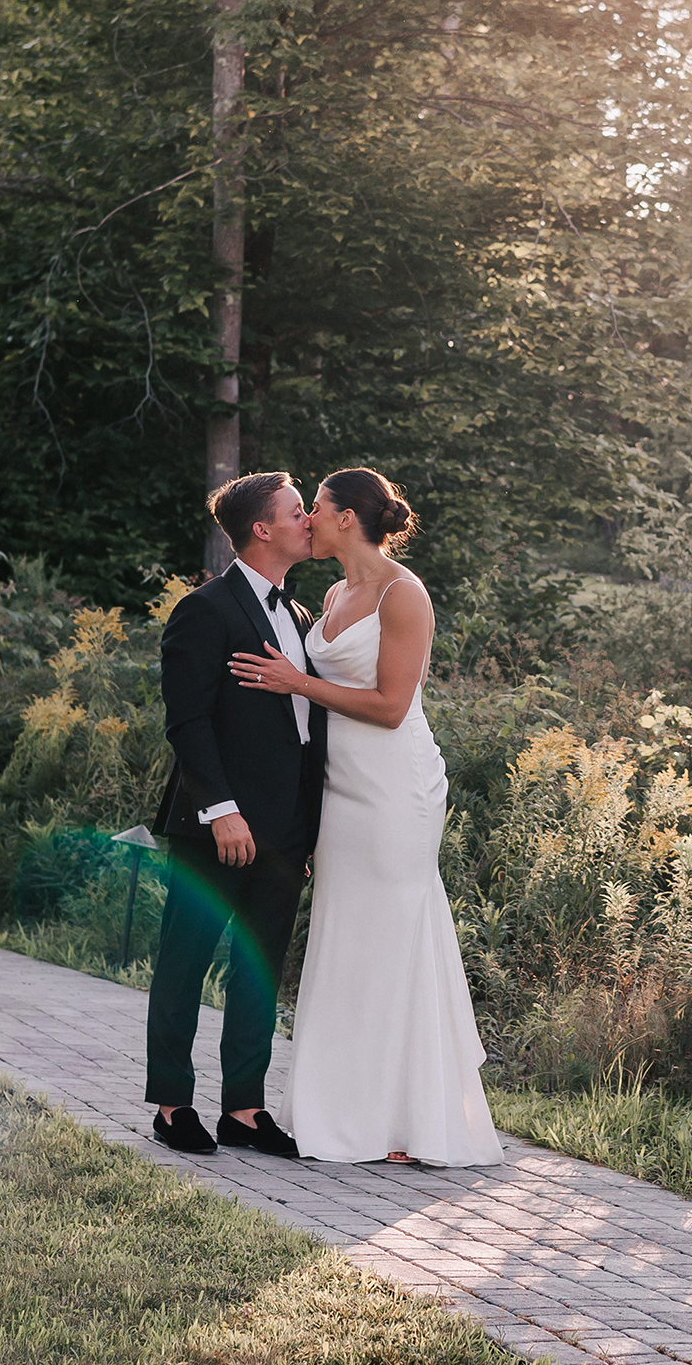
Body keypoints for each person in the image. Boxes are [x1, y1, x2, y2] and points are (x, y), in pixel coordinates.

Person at [229, 467, 505, 1167]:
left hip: (393, 789)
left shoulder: (404, 595)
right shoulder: (330, 592)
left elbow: (388, 705)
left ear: (347, 516)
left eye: (315, 507)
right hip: (341, 792)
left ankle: (410, 1120)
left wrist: (298, 681)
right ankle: (344, 1111)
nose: (308, 518)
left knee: (392, 939)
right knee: (345, 938)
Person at [145, 472, 324, 1158]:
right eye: (296, 510)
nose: (308, 520)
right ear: (263, 528)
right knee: (184, 962)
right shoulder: (204, 610)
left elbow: (303, 732)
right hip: (216, 825)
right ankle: (171, 1104)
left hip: (286, 832)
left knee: (258, 969)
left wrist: (307, 828)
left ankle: (243, 1110)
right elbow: (188, 722)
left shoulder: (301, 617)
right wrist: (222, 810)